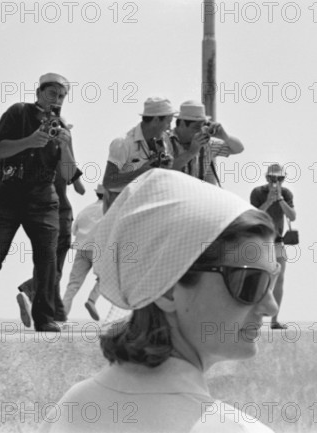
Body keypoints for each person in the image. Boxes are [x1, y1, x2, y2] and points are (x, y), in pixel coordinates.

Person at [41, 169, 279, 433]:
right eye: (251, 282)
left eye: (272, 280)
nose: (271, 306)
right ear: (167, 289)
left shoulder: (72, 407)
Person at [0, 72, 78, 333]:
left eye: (62, 96)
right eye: (52, 93)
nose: (57, 100)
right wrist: (30, 141)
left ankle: (44, 318)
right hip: (6, 197)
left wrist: (66, 146)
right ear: (39, 92)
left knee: (47, 260)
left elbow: (68, 175)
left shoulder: (62, 128)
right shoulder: (18, 112)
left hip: (43, 201)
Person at [16, 173, 85, 327]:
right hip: (61, 216)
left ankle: (58, 316)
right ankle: (28, 291)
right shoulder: (64, 161)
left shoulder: (35, 163)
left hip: (41, 219)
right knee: (54, 270)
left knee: (46, 264)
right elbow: (81, 189)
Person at [102, 97, 177, 210]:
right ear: (156, 120)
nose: (169, 128)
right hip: (120, 213)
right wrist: (140, 173)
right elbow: (108, 182)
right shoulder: (123, 142)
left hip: (146, 210)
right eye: (168, 122)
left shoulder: (163, 142)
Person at [250, 163, 296, 330]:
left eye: (280, 178)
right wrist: (269, 200)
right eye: (272, 178)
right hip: (261, 241)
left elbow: (292, 216)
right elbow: (254, 216)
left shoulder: (286, 193)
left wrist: (280, 200)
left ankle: (274, 320)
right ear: (267, 178)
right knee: (261, 280)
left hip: (278, 241)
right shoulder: (257, 193)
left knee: (279, 280)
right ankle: (254, 319)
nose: (276, 182)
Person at [171, 100, 244, 185]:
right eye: (196, 127)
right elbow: (163, 169)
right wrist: (191, 152)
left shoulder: (206, 144)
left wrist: (225, 136)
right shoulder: (166, 140)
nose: (200, 131)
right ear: (182, 124)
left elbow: (238, 149)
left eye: (202, 126)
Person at [61, 184, 105, 321]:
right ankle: (92, 300)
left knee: (73, 284)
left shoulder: (86, 210)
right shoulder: (111, 209)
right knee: (105, 278)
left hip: (81, 249)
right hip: (100, 250)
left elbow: (74, 230)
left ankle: (63, 312)